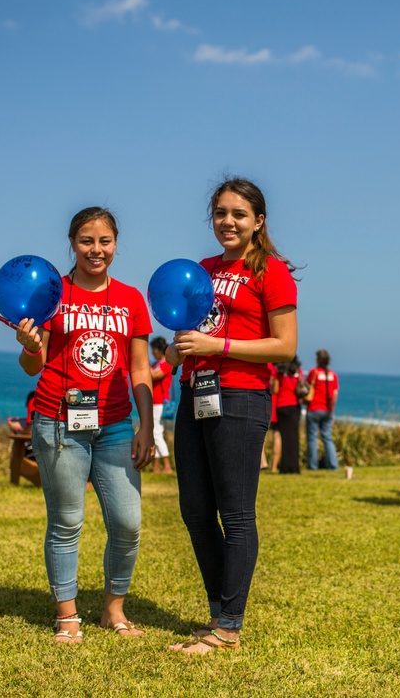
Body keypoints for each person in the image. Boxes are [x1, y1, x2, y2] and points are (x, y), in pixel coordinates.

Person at [166, 177, 297, 655]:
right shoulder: (201, 269)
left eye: (239, 214)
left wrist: (216, 345)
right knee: (196, 512)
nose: (228, 221)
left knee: (236, 514)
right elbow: (191, 327)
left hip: (241, 398)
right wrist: (179, 348)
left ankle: (229, 627)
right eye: (221, 212)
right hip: (193, 394)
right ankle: (218, 613)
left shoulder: (271, 271)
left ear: (258, 221)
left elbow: (284, 346)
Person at [14, 206, 154, 644]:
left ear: (116, 244)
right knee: (66, 521)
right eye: (86, 241)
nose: (96, 250)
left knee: (128, 523)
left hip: (115, 424)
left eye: (105, 241)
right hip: (58, 421)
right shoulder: (52, 294)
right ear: (72, 243)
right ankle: (67, 615)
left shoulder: (131, 299)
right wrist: (29, 344)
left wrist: (145, 426)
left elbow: (140, 370)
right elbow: (30, 367)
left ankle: (113, 609)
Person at [305, 349, 340, 471]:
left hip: (314, 408)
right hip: (327, 410)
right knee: (327, 437)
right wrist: (331, 410)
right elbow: (335, 394)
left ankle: (313, 465)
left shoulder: (313, 373)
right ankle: (333, 465)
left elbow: (306, 388)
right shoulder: (333, 375)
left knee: (312, 439)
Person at [273, 357, 304, 474]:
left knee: (284, 436)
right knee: (294, 436)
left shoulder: (279, 370)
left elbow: (275, 389)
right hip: (294, 405)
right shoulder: (298, 370)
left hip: (282, 405)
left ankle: (285, 467)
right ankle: (295, 466)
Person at [150, 337, 175, 474]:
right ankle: (156, 466)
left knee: (157, 433)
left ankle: (166, 465)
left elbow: (155, 376)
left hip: (159, 402)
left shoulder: (166, 364)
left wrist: (141, 364)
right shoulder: (156, 364)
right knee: (155, 433)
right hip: (154, 401)